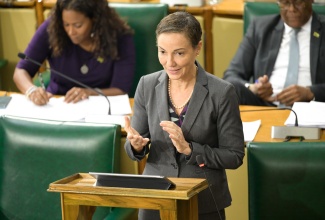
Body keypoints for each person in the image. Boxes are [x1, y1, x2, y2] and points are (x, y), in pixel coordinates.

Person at [124, 11, 244, 220]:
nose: (169, 62)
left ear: (197, 48)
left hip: (203, 200)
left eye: (179, 53)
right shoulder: (147, 84)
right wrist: (136, 145)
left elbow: (234, 156)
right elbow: (137, 143)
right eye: (162, 52)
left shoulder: (222, 92)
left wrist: (190, 149)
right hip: (155, 198)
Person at [13, 0, 135, 106]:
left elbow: (120, 89)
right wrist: (31, 91)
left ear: (95, 20)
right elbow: (21, 71)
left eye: (78, 25)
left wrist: (89, 92)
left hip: (100, 106)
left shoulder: (119, 36)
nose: (71, 31)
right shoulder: (53, 28)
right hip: (56, 103)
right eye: (66, 24)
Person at [223, 0, 325, 106]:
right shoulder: (260, 28)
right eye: (285, 3)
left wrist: (310, 92)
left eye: (298, 2)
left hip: (311, 106)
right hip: (265, 104)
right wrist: (253, 87)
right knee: (233, 87)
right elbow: (231, 75)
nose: (292, 9)